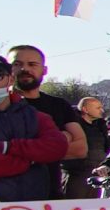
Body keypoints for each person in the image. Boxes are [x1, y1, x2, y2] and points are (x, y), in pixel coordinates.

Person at [0, 54, 68, 201]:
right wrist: (29, 160)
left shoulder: (35, 116)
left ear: (10, 79)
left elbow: (58, 147)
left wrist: (7, 148)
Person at [6, 47, 88, 181]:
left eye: (32, 64)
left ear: (44, 70)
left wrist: (16, 151)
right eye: (17, 64)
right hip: (2, 194)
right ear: (7, 69)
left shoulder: (59, 105)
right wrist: (56, 142)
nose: (24, 69)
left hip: (49, 192)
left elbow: (80, 149)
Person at [69, 93, 110, 198]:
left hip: (99, 173)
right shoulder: (74, 127)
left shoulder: (100, 127)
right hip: (79, 175)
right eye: (97, 108)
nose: (101, 110)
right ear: (85, 109)